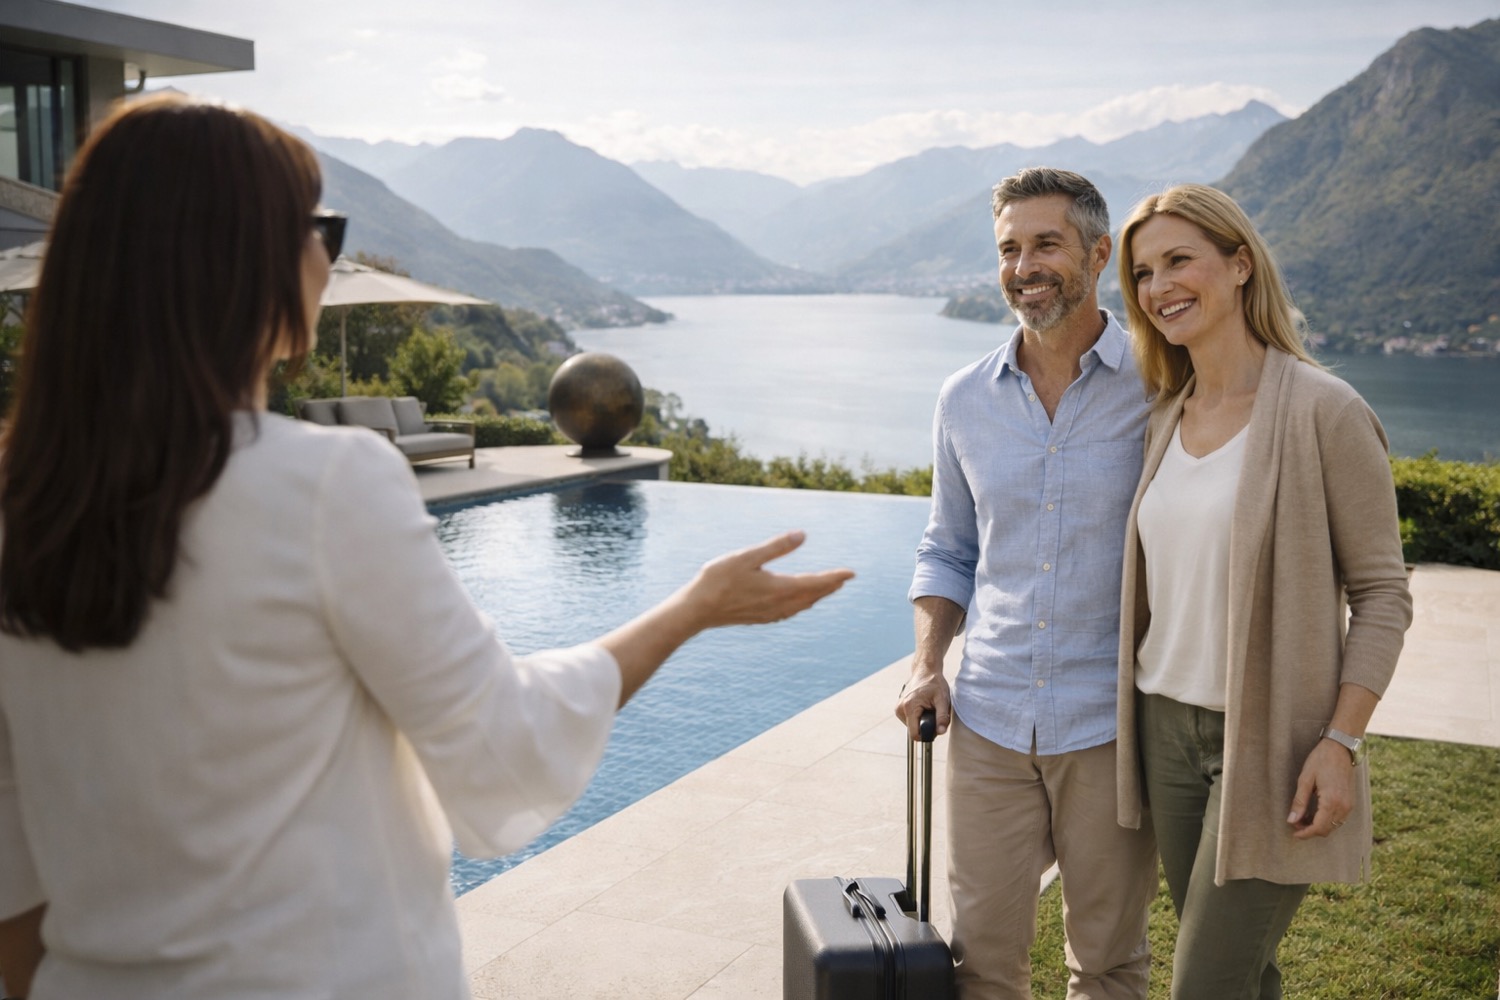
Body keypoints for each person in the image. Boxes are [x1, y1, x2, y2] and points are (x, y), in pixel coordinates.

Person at [0, 94, 853, 1000]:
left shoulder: (24, 508)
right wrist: (693, 608)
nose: (327, 257)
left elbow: (13, 877)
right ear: (242, 260)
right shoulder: (325, 487)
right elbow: (503, 745)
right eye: (317, 227)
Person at [1113, 183, 1413, 999]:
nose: (1159, 286)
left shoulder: (1326, 410)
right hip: (1161, 728)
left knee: (1204, 984)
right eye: (1143, 272)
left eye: (1180, 260)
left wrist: (1341, 741)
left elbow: (1384, 592)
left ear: (1240, 265)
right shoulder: (1162, 417)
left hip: (1274, 741)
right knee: (1243, 972)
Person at [896, 167, 1157, 999]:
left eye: (1046, 243)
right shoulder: (962, 399)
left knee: (1109, 963)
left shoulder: (1163, 388)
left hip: (1111, 727)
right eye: (1009, 248)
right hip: (991, 720)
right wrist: (928, 662)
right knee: (981, 961)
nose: (1024, 265)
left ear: (1098, 252)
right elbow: (947, 547)